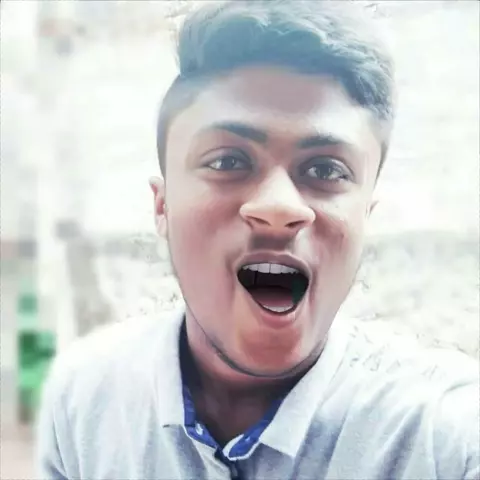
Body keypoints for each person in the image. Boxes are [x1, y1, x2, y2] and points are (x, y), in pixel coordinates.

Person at [37, 1, 479, 479]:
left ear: (364, 219)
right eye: (228, 162)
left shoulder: (446, 438)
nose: (279, 207)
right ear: (162, 207)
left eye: (325, 170)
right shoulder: (82, 403)